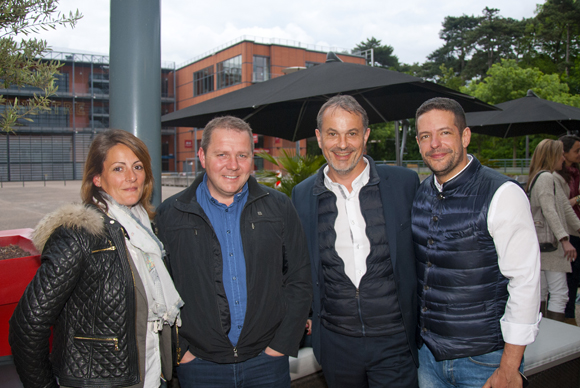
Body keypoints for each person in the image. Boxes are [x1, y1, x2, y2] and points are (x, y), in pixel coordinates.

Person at [9, 129, 183, 388]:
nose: (131, 177)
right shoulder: (80, 234)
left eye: (137, 166)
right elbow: (27, 324)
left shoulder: (146, 231)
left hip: (150, 376)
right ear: (97, 178)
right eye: (118, 169)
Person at [155, 116, 311, 387]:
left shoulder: (279, 207)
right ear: (202, 156)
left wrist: (281, 345)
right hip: (200, 365)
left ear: (253, 159)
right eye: (222, 154)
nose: (233, 165)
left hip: (267, 361)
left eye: (242, 155)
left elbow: (300, 277)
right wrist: (183, 352)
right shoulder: (171, 214)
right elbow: (159, 289)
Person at [291, 95, 420, 388]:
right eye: (332, 134)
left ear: (366, 135)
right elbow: (299, 263)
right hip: (336, 344)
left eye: (352, 133)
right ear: (319, 138)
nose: (342, 144)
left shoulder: (403, 184)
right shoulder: (301, 196)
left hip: (396, 341)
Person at [412, 97, 541, 388]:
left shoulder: (503, 193)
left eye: (444, 132)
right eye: (425, 136)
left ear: (465, 136)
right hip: (428, 358)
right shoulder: (420, 193)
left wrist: (510, 366)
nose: (435, 144)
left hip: (486, 361)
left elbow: (526, 282)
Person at [528, 139, 580, 322]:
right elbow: (550, 209)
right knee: (559, 293)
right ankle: (554, 331)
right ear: (552, 156)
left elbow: (565, 208)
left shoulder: (543, 177)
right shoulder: (546, 178)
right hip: (551, 246)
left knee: (542, 292)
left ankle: (543, 332)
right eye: (560, 154)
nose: (563, 158)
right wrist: (565, 239)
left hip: (542, 245)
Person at [556, 135, 580, 325]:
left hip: (574, 231)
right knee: (566, 286)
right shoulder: (557, 178)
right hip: (569, 234)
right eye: (576, 151)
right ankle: (568, 320)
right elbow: (562, 207)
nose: (579, 154)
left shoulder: (575, 173)